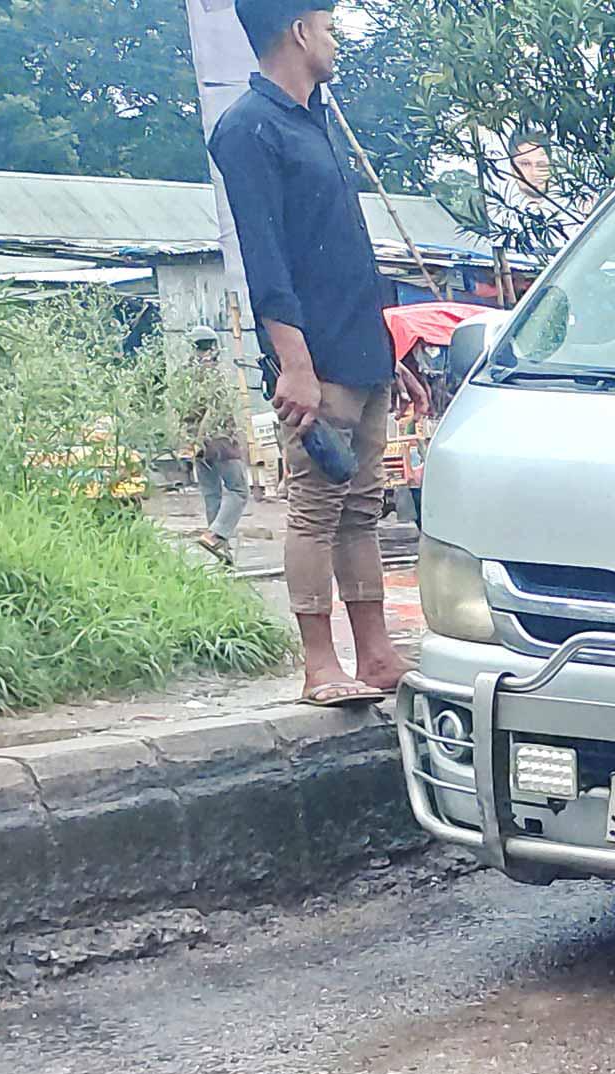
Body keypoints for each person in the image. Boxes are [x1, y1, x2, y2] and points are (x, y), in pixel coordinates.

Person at [209, 0, 417, 706]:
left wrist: (396, 348)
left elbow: (349, 248)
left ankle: (378, 653)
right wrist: (293, 363)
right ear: (299, 32)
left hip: (363, 346)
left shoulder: (317, 118)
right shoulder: (247, 129)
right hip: (316, 357)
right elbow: (265, 260)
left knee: (364, 506)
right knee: (314, 508)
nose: (334, 42)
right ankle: (320, 664)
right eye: (328, 27)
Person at [174, 326, 251, 562]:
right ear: (214, 346)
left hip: (198, 446)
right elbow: (215, 411)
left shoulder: (184, 376)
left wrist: (190, 442)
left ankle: (222, 552)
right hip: (220, 442)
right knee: (238, 490)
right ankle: (216, 535)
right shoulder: (213, 374)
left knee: (211, 494)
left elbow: (181, 412)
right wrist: (204, 438)